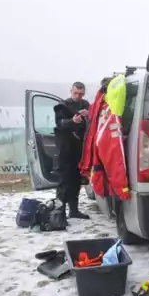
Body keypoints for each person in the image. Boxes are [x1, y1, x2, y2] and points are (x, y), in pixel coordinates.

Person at [54, 81, 91, 219]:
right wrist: (72, 121)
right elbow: (59, 123)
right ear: (71, 91)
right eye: (76, 93)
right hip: (64, 149)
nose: (78, 96)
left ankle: (73, 210)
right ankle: (59, 212)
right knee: (63, 182)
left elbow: (94, 121)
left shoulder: (86, 105)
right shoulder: (62, 106)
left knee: (76, 181)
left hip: (79, 149)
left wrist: (88, 115)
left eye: (81, 94)